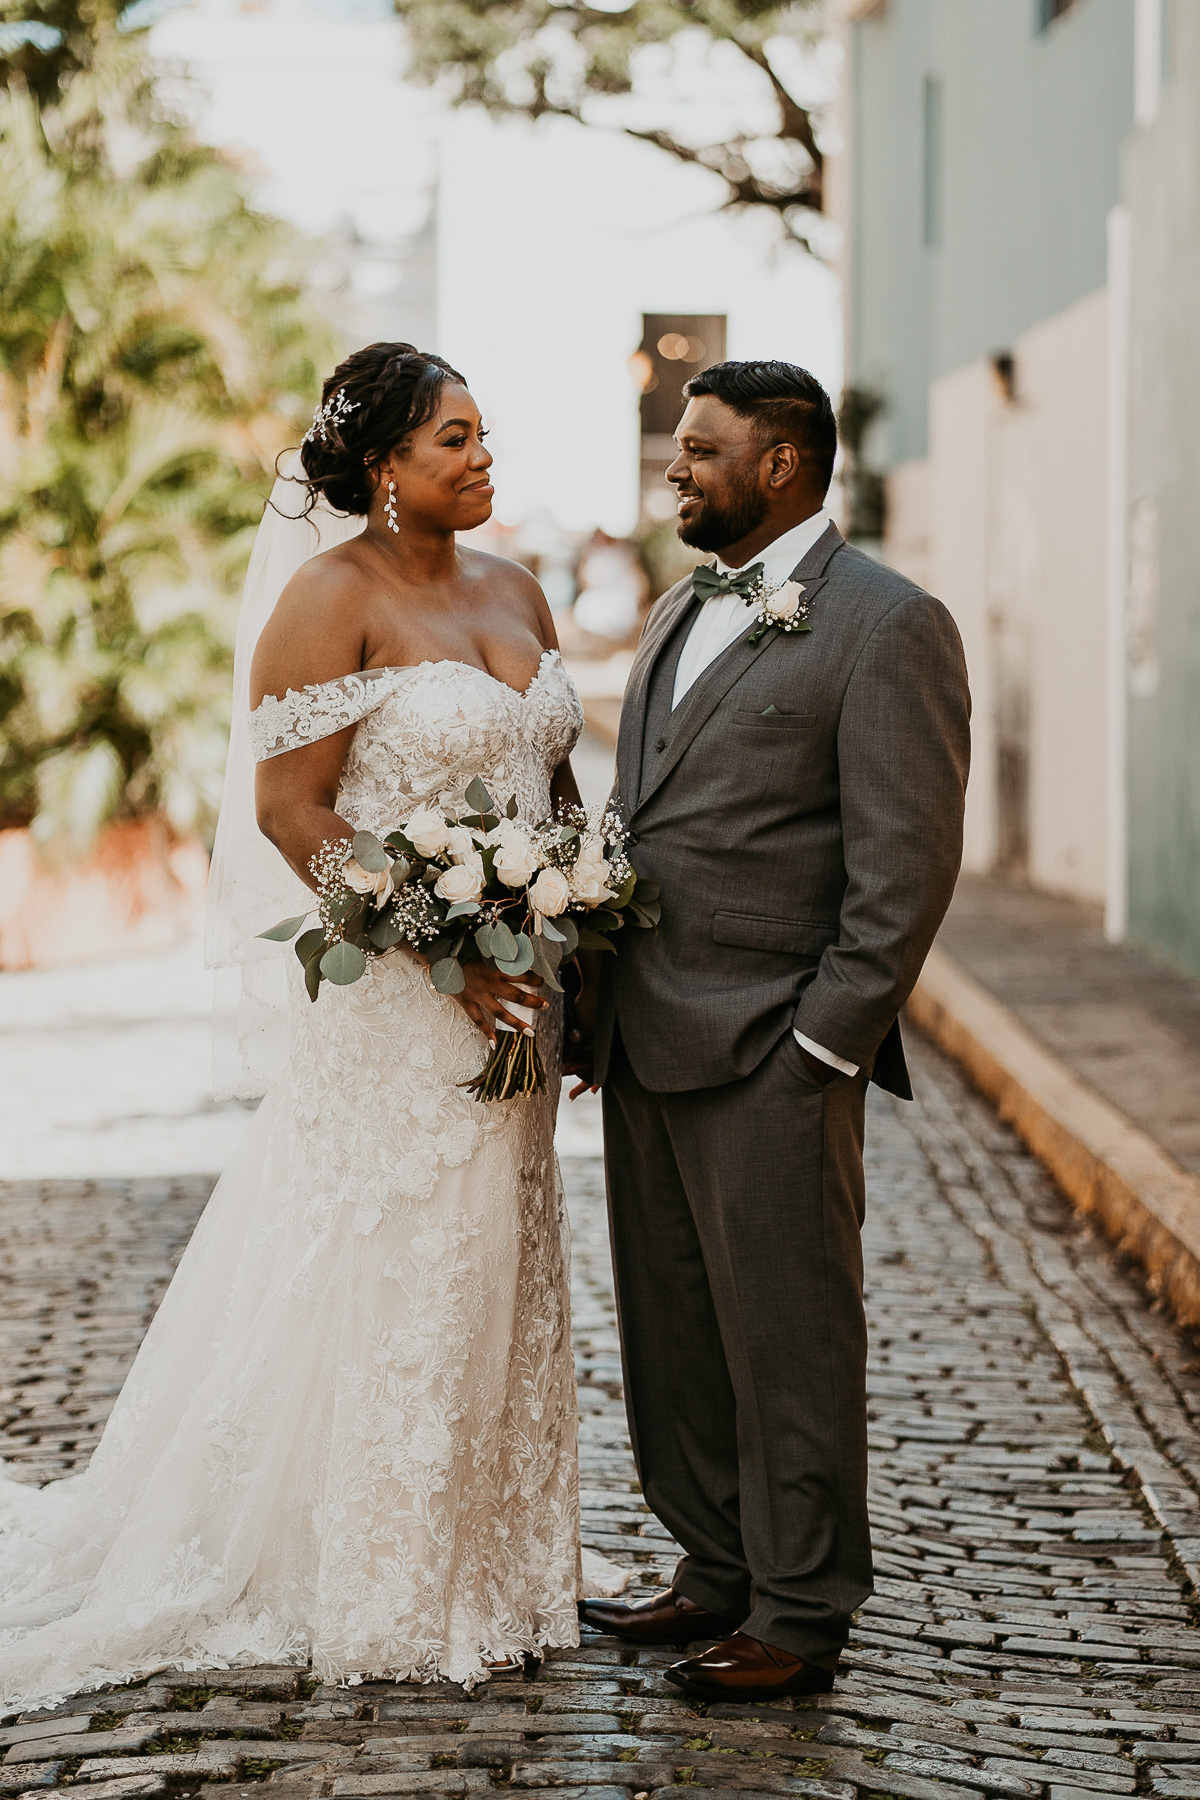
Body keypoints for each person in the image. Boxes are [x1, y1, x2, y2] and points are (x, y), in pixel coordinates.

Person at [0, 343, 592, 1709]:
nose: (482, 455)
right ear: (384, 464)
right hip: (405, 1001)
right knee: (396, 1263)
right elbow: (290, 810)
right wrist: (443, 953)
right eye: (454, 436)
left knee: (500, 1259)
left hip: (528, 994)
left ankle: (493, 1570)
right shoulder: (329, 599)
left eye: (485, 432)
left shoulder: (518, 588)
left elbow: (547, 783)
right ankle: (367, 1575)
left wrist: (566, 928)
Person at [572, 360, 971, 1702]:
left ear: (783, 463)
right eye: (679, 449)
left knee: (789, 1337)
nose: (676, 471)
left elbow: (904, 867)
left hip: (771, 1048)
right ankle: (713, 1568)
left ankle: (799, 1612)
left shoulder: (887, 624)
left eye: (700, 450)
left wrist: (823, 1045)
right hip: (642, 1035)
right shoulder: (685, 605)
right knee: (672, 1329)